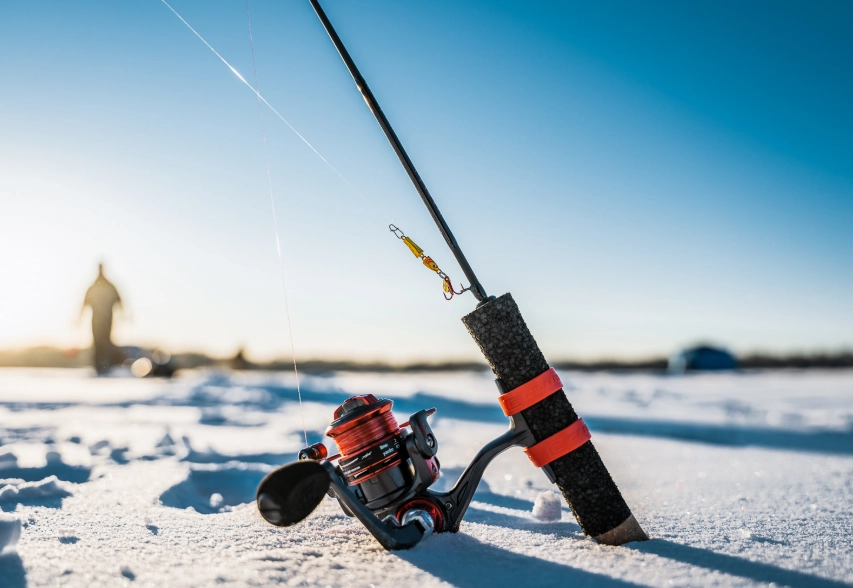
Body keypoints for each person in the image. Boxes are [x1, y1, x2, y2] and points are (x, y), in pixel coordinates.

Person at [81, 264, 123, 374]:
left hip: (105, 320)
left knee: (103, 342)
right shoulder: (98, 286)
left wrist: (123, 314)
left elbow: (119, 301)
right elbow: (84, 303)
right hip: (98, 320)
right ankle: (99, 366)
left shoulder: (104, 286)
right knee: (98, 342)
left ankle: (104, 366)